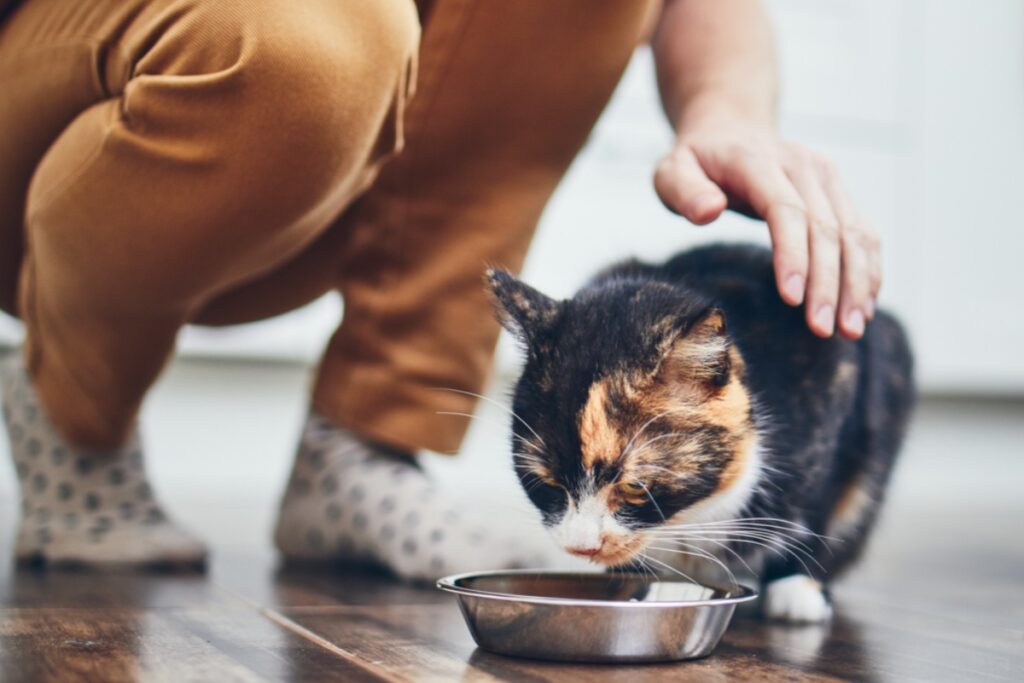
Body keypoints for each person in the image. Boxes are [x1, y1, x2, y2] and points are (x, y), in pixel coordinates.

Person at [0, 0, 881, 578]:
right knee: (321, 39)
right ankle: (75, 412)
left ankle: (363, 444)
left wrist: (727, 113)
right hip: (100, 117)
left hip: (335, 172)